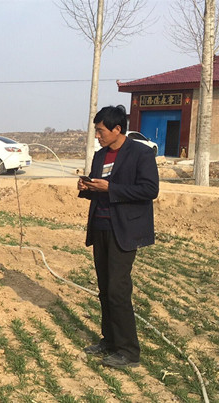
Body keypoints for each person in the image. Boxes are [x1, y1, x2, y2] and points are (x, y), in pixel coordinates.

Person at [78, 105, 159, 369]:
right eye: (96, 130)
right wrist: (87, 187)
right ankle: (110, 340)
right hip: (100, 227)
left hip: (124, 230)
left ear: (117, 129)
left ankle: (128, 351)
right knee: (104, 288)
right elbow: (99, 189)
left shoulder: (141, 153)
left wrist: (111, 188)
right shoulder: (100, 155)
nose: (97, 135)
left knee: (117, 289)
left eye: (100, 131)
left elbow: (150, 189)